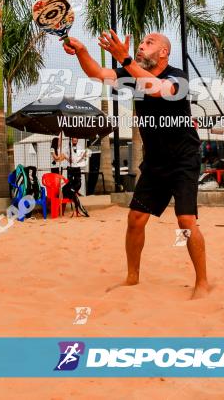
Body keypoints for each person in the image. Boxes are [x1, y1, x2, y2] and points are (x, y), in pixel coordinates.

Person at [64, 30, 209, 299]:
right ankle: (132, 278)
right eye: (141, 43)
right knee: (135, 219)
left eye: (148, 43)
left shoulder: (178, 77)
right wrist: (82, 51)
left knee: (186, 220)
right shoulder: (132, 74)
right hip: (155, 162)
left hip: (184, 159)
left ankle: (202, 282)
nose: (142, 46)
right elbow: (98, 74)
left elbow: (158, 90)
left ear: (163, 52)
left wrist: (126, 58)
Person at [63, 137, 89, 217]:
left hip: (77, 167)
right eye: (73, 139)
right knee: (70, 183)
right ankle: (77, 207)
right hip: (70, 168)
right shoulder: (67, 147)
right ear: (71, 140)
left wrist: (82, 157)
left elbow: (83, 156)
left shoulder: (80, 147)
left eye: (76, 139)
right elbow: (63, 154)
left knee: (78, 183)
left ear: (77, 140)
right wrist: (68, 159)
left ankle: (73, 193)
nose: (74, 140)